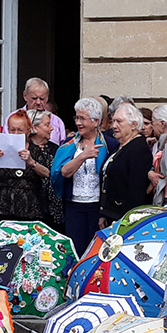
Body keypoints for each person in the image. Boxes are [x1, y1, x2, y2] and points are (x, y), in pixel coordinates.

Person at [51, 97, 107, 254]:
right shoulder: (70, 144)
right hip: (74, 205)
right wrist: (83, 156)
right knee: (75, 250)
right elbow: (63, 172)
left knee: (97, 250)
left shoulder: (109, 144)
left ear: (96, 122)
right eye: (77, 117)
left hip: (97, 207)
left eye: (82, 118)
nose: (78, 122)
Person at [0, 109, 57, 227]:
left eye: (20, 130)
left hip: (30, 208)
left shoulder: (35, 150)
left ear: (29, 131)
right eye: (12, 130)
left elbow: (47, 173)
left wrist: (31, 162)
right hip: (2, 207)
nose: (15, 133)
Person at [99, 103, 153, 227]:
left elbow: (136, 190)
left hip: (124, 218)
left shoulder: (138, 149)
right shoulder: (121, 146)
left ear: (133, 125)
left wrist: (128, 221)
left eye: (119, 121)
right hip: (111, 214)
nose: (114, 126)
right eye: (113, 121)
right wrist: (103, 212)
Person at [10, 77, 66, 146]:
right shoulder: (13, 118)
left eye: (42, 99)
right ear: (25, 96)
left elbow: (62, 149)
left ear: (47, 97)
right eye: (34, 98)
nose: (38, 102)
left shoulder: (57, 122)